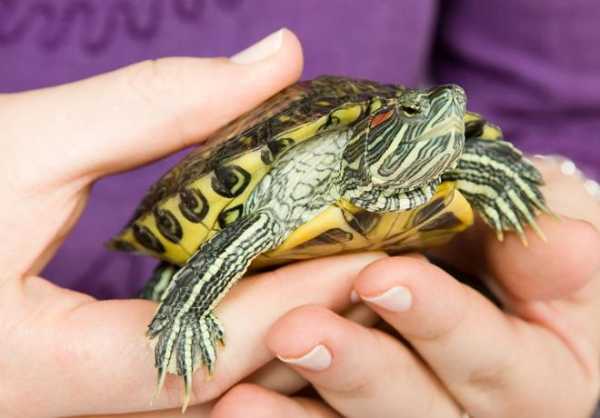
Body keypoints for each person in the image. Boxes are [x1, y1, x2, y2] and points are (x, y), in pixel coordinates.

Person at [1, 2, 599, 418]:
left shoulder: (442, 164)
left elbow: (562, 113)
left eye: (445, 120)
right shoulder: (305, 162)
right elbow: (247, 222)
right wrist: (185, 313)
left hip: (372, 326)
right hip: (229, 244)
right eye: (416, 119)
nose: (443, 118)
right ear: (379, 129)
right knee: (215, 263)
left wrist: (573, 211)